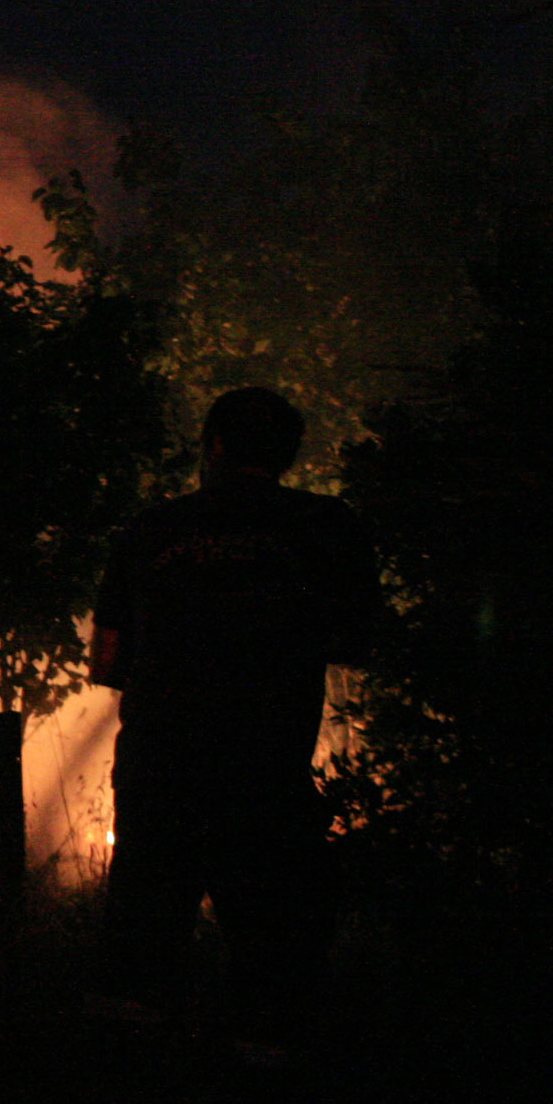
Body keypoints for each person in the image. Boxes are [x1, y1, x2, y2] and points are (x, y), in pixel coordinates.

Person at [89, 387, 379, 1051]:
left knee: (141, 949)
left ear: (213, 445)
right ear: (285, 452)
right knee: (274, 952)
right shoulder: (330, 527)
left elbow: (108, 660)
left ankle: (125, 1100)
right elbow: (355, 642)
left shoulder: (151, 529)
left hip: (160, 771)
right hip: (266, 771)